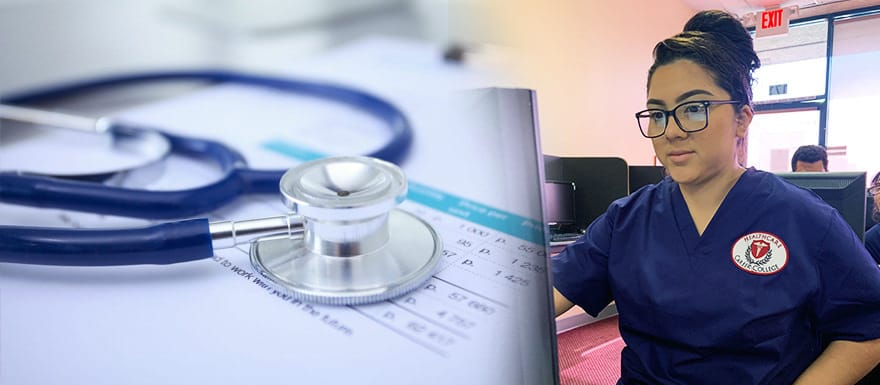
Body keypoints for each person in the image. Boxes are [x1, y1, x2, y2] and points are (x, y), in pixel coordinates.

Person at [552, 10, 880, 385]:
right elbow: (541, 300)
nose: (671, 131)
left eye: (694, 109)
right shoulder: (625, 220)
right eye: (658, 114)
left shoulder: (803, 219)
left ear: (742, 119)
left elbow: (869, 328)